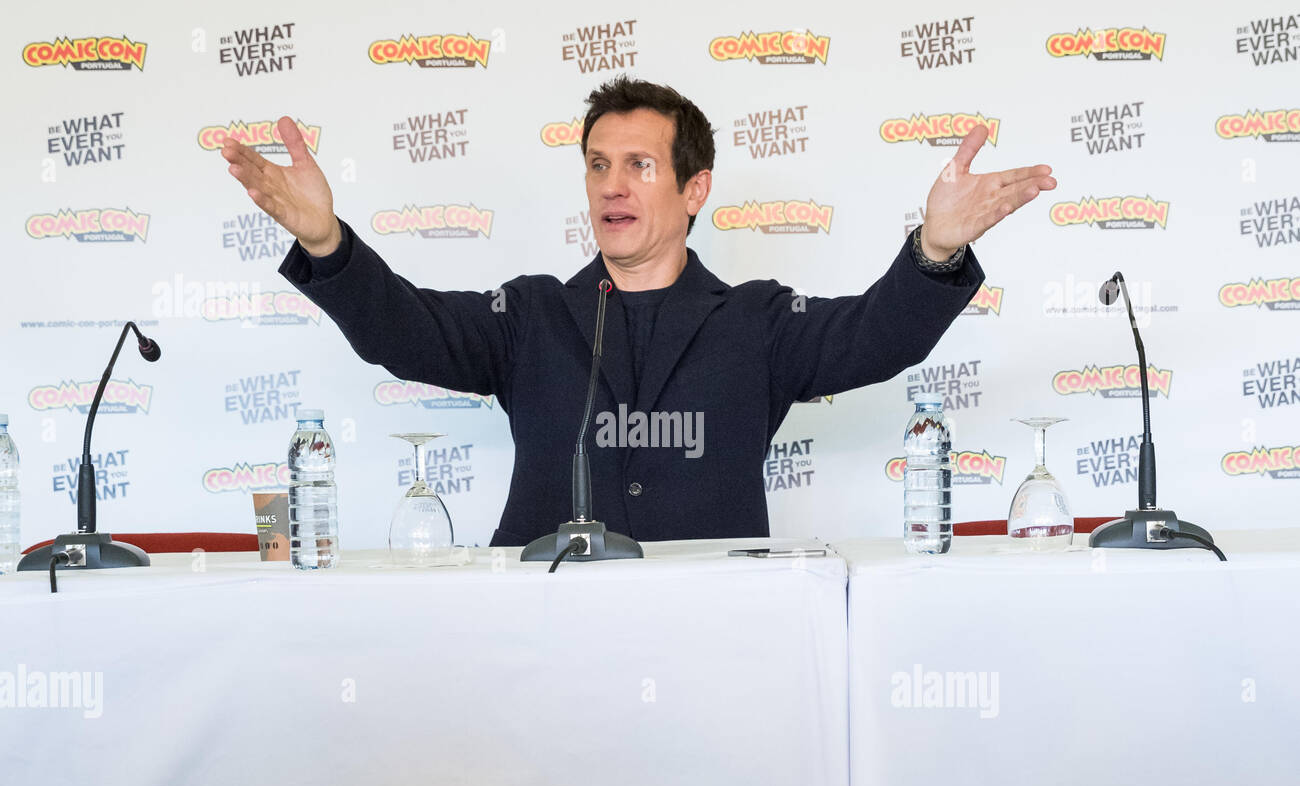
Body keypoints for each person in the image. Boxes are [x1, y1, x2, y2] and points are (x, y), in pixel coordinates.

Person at [221, 76, 1055, 547]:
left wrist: (935, 249)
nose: (612, 185)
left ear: (695, 189)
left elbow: (877, 335)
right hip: (540, 642)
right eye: (596, 165)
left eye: (639, 166)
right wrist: (329, 243)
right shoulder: (534, 314)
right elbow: (405, 331)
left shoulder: (757, 322)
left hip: (709, 644)